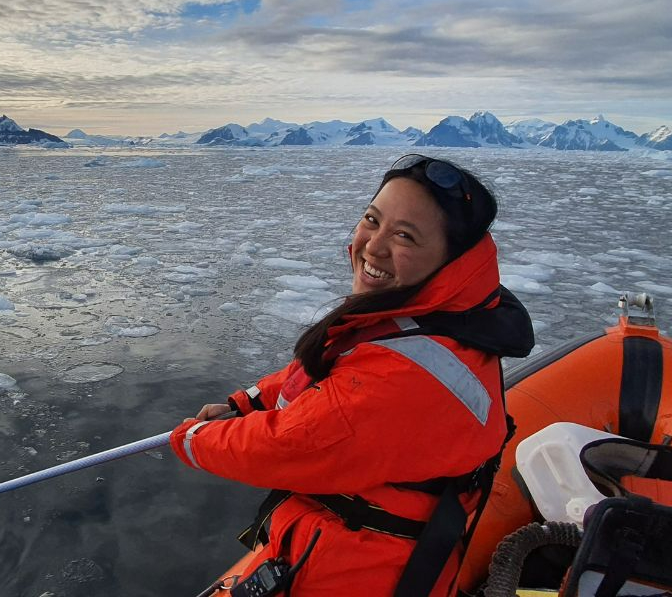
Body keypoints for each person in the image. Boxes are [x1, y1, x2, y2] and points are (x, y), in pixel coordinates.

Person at [170, 154, 535, 596]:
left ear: (450, 261)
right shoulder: (434, 318)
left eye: (405, 236)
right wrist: (246, 402)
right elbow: (326, 373)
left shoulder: (408, 375)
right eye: (371, 219)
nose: (374, 246)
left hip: (359, 575)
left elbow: (288, 446)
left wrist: (192, 440)